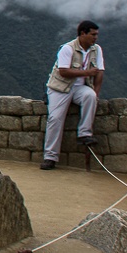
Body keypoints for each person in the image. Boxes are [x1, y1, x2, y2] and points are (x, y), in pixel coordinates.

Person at [40, 20, 104, 170]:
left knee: (90, 97)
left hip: (80, 88)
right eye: (93, 34)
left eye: (96, 35)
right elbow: (64, 71)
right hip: (60, 88)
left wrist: (96, 93)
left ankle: (84, 133)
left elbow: (100, 72)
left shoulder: (96, 50)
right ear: (83, 33)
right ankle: (50, 157)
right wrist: (87, 72)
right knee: (55, 119)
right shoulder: (67, 49)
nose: (95, 38)